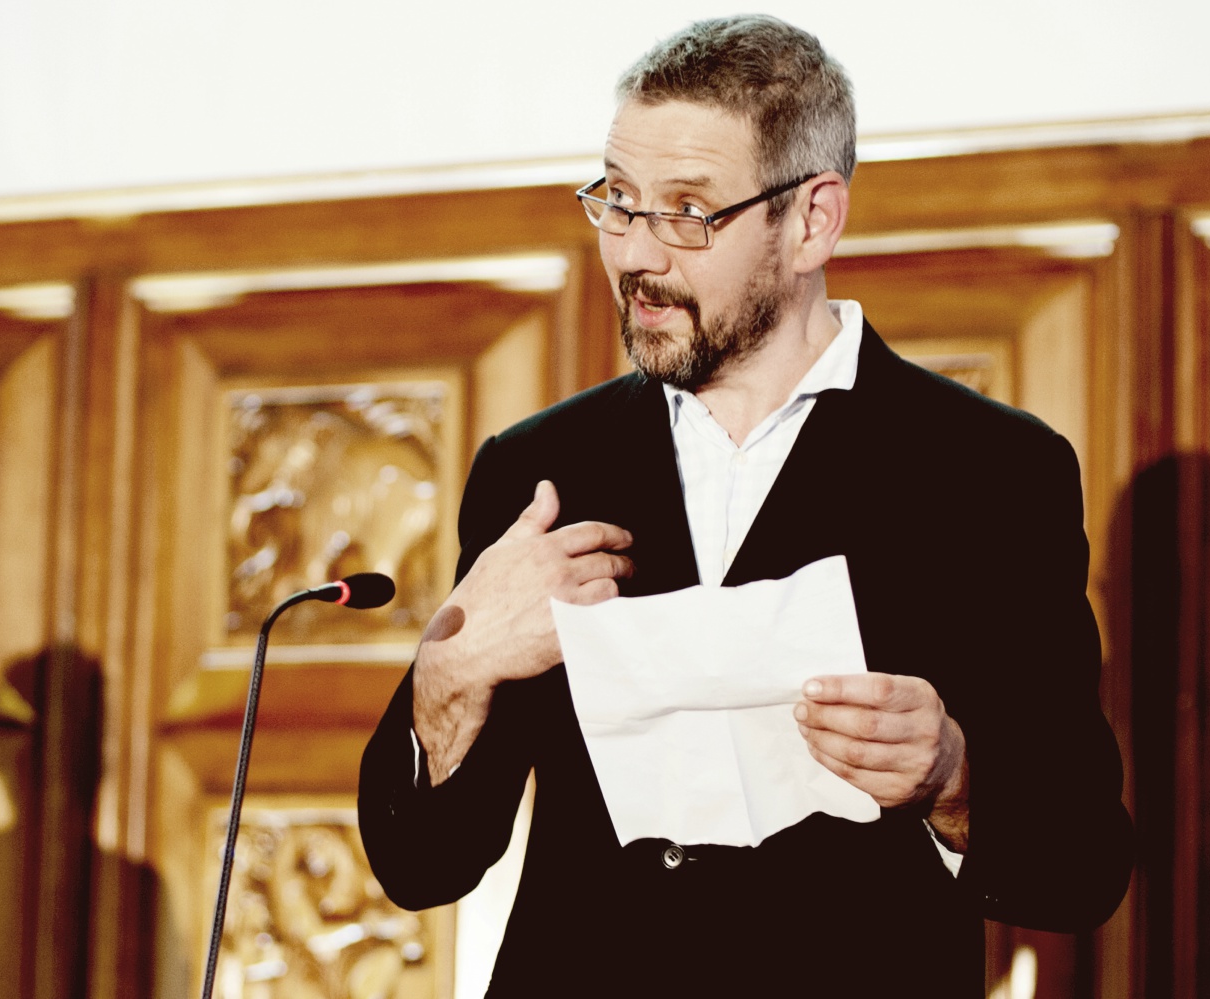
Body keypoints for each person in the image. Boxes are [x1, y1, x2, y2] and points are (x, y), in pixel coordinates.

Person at [359, 15, 1133, 996]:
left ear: (811, 219)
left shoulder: (989, 470)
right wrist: (450, 682)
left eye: (687, 212)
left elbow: (1081, 867)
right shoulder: (540, 468)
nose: (635, 254)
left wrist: (950, 780)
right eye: (616, 201)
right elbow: (420, 867)